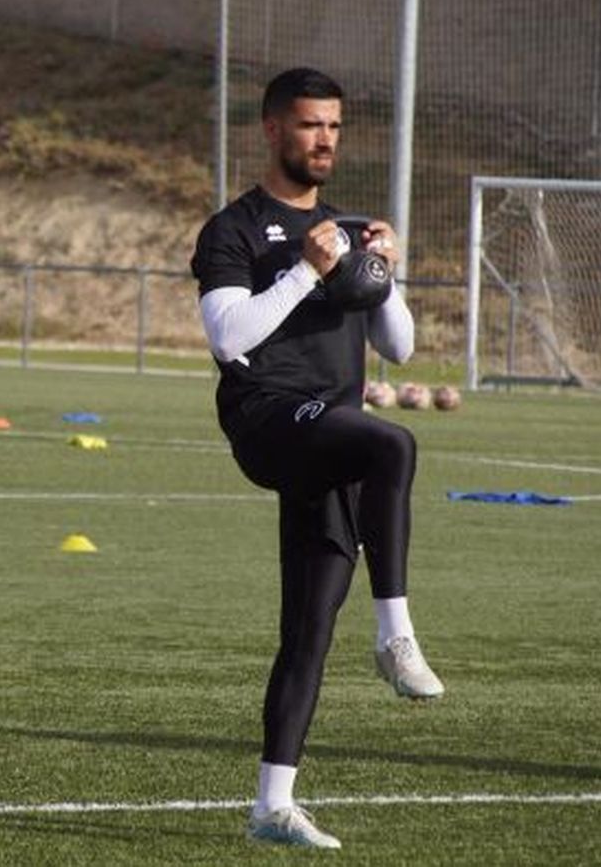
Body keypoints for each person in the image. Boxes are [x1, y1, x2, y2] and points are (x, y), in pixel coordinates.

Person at [189, 67, 443, 850]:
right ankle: (396, 634)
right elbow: (230, 338)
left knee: (308, 627)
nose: (324, 139)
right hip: (267, 418)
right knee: (392, 440)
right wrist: (308, 269)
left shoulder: (346, 227)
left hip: (328, 434)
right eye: (308, 125)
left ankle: (272, 804)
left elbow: (398, 348)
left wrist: (383, 276)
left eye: (333, 125)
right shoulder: (234, 229)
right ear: (272, 130)